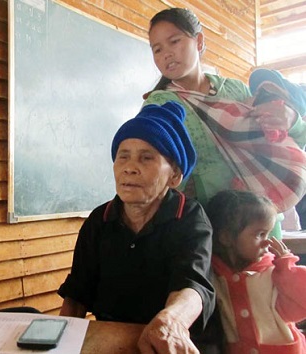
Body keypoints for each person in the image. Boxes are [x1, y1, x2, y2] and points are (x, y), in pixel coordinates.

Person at [58, 101, 215, 354]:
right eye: (123, 156)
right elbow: (78, 292)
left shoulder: (189, 217)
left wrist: (171, 321)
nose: (129, 167)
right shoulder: (100, 219)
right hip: (113, 342)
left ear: (174, 175)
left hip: (171, 344)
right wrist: (57, 343)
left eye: (146, 157)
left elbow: (193, 285)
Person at [143, 8, 306, 233]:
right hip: (205, 228)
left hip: (260, 222)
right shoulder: (159, 104)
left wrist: (292, 118)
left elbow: (285, 142)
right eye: (157, 49)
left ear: (198, 41)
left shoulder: (235, 89)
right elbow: (154, 170)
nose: (166, 54)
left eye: (174, 41)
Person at [206, 189, 306, 353]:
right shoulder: (215, 273)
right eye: (260, 234)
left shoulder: (274, 272)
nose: (266, 243)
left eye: (268, 234)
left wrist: (287, 267)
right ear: (226, 238)